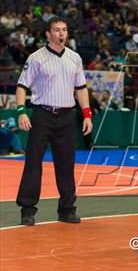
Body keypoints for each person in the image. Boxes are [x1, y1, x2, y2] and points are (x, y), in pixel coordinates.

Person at [15, 16, 93, 226]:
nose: (61, 33)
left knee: (66, 164)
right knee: (33, 162)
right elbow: (22, 86)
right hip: (43, 115)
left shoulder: (75, 58)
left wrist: (87, 114)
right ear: (48, 34)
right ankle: (27, 209)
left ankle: (67, 210)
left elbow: (81, 88)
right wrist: (21, 111)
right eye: (56, 30)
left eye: (64, 30)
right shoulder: (36, 58)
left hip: (67, 116)